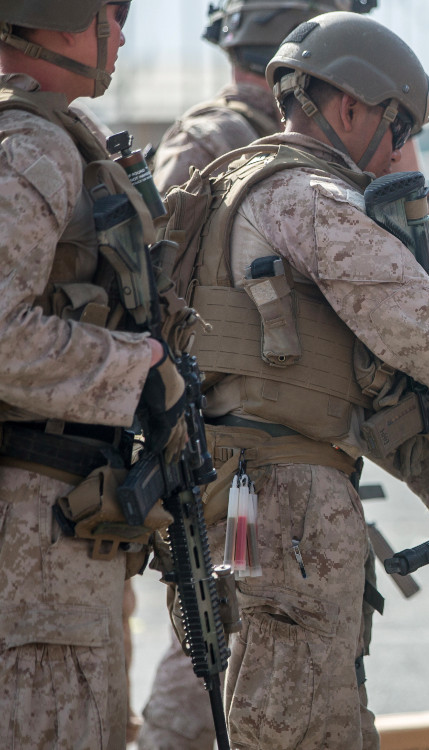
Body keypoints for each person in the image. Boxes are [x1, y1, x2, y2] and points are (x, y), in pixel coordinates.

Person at [175, 12, 429, 749]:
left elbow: (345, 383)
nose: (399, 151)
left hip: (271, 492)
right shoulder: (305, 194)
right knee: (298, 729)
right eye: (398, 127)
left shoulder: (254, 185)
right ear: (349, 107)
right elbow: (415, 318)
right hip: (288, 500)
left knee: (322, 720)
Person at [138, 3, 386, 747]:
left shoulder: (311, 151)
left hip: (292, 453)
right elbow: (160, 291)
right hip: (233, 458)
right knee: (212, 658)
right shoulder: (214, 140)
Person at [0, 2, 190, 748]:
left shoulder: (52, 137)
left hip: (56, 521)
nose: (122, 31)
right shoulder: (33, 148)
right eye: (112, 11)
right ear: (65, 17)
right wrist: (138, 366)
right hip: (36, 529)